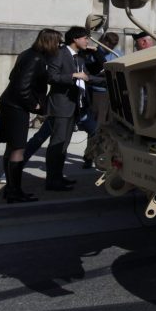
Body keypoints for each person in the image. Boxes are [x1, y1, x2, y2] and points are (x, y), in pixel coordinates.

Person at [0, 28, 61, 202]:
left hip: (10, 103)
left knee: (12, 147)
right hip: (16, 106)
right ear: (50, 42)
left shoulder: (28, 53)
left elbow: (13, 78)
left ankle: (11, 189)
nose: (59, 45)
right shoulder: (36, 58)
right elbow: (22, 87)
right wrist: (35, 104)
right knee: (18, 148)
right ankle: (14, 192)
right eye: (57, 42)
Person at [44, 26, 102, 191]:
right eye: (85, 38)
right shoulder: (59, 53)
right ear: (75, 39)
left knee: (64, 144)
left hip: (74, 106)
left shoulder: (79, 57)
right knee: (57, 144)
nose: (87, 41)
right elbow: (52, 77)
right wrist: (72, 76)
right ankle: (52, 181)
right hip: (61, 106)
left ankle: (58, 177)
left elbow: (91, 73)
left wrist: (96, 51)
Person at [82, 32, 122, 168]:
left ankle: (107, 158)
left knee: (111, 127)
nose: (108, 46)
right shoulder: (92, 52)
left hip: (112, 94)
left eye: (112, 44)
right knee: (96, 127)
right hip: (98, 94)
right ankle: (89, 156)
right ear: (102, 40)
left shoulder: (117, 53)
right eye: (107, 43)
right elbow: (88, 71)